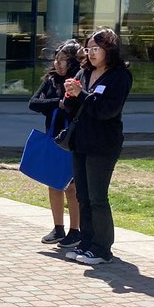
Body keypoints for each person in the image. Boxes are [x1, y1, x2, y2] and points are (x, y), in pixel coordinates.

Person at [60, 27, 132, 265]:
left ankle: (102, 249)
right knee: (83, 196)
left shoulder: (119, 76)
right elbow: (75, 109)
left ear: (109, 49)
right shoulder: (83, 73)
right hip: (81, 141)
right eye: (88, 48)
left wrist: (81, 95)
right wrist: (70, 96)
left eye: (96, 49)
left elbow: (106, 110)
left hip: (103, 144)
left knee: (98, 197)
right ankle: (87, 243)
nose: (91, 53)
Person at [28, 40, 83, 246]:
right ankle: (58, 228)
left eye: (63, 60)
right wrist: (57, 103)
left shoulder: (78, 80)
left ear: (73, 62)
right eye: (56, 59)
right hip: (53, 137)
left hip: (72, 140)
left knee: (71, 187)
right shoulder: (51, 80)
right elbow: (34, 103)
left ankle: (75, 230)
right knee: (53, 184)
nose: (58, 64)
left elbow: (77, 106)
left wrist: (65, 104)